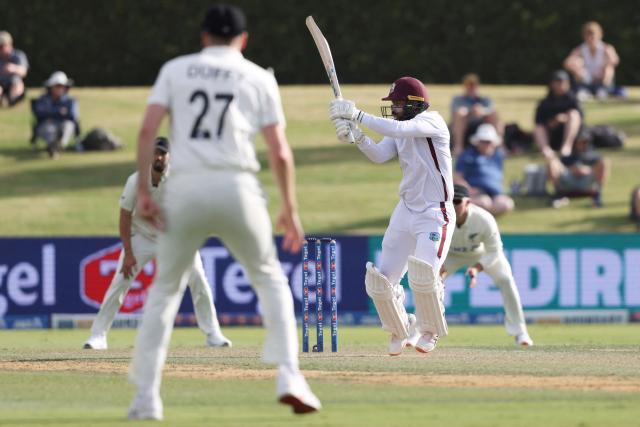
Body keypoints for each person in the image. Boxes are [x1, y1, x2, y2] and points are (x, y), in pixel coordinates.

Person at [127, 4, 320, 420]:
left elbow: (147, 131)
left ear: (202, 38)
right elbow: (280, 152)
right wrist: (290, 207)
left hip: (186, 186)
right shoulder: (257, 76)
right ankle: (290, 375)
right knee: (270, 279)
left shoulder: (176, 69)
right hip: (238, 186)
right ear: (243, 40)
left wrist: (144, 190)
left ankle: (147, 397)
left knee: (164, 291)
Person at [331, 76, 454, 356]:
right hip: (406, 210)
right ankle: (400, 329)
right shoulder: (399, 129)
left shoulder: (432, 122)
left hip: (435, 213)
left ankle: (429, 331)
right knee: (382, 280)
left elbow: (400, 131)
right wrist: (358, 135)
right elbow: (378, 154)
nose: (393, 108)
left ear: (413, 104)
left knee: (424, 277)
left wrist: (357, 114)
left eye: (397, 103)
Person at [83, 136, 231, 351]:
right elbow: (124, 216)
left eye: (163, 153)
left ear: (169, 157)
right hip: (141, 237)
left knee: (199, 279)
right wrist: (129, 252)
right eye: (155, 153)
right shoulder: (136, 181)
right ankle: (98, 336)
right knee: (119, 282)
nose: (158, 157)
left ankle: (213, 334)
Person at [440, 184, 533, 347]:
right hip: (451, 255)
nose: (453, 206)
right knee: (430, 282)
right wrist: (438, 263)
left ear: (468, 202)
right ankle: (422, 331)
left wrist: (476, 268)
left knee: (506, 280)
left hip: (481, 254)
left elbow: (495, 251)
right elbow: (431, 243)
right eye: (450, 202)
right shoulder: (439, 218)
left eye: (457, 201)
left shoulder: (484, 219)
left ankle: (520, 332)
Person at [455, 123, 514, 216]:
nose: (486, 144)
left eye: (489, 141)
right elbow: (458, 178)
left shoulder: (498, 155)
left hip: (495, 193)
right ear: (477, 141)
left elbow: (498, 176)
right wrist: (468, 190)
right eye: (483, 141)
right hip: (476, 194)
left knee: (507, 204)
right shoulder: (467, 155)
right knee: (484, 202)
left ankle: (483, 216)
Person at [544, 129, 609, 208]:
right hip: (568, 180)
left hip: (587, 182)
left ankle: (597, 195)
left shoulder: (593, 155)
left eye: (585, 142)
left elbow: (598, 167)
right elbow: (560, 167)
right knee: (552, 162)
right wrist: (572, 170)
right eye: (580, 142)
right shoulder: (568, 154)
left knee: (605, 162)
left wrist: (587, 170)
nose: (582, 144)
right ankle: (559, 193)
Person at [564, 21, 621, 101]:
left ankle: (603, 90)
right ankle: (583, 91)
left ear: (599, 35)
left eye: (593, 34)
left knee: (609, 69)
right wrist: (576, 66)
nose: (591, 37)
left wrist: (607, 63)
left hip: (601, 79)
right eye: (588, 34)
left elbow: (615, 61)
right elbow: (567, 63)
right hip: (586, 79)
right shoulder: (580, 49)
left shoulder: (606, 48)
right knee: (576, 67)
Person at [533, 70, 583, 158]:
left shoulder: (573, 100)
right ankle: (545, 150)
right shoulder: (545, 103)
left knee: (573, 114)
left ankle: (566, 147)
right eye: (558, 83)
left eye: (563, 83)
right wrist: (553, 122)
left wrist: (565, 119)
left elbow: (581, 121)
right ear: (552, 84)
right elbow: (539, 123)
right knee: (538, 128)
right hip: (551, 136)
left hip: (571, 136)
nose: (561, 86)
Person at [450, 73, 501, 157]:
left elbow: (491, 110)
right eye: (468, 85)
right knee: (460, 114)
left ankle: (498, 145)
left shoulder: (485, 100)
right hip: (464, 127)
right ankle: (458, 147)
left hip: (482, 126)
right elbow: (455, 112)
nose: (471, 87)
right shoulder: (457, 99)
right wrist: (471, 111)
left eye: (473, 85)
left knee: (494, 113)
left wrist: (482, 111)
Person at [31, 71, 80, 158]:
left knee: (67, 125)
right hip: (47, 125)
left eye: (62, 86)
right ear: (51, 87)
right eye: (57, 86)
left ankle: (59, 146)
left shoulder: (70, 101)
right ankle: (52, 146)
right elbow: (39, 114)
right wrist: (58, 112)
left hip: (64, 125)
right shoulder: (43, 99)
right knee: (49, 128)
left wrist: (51, 113)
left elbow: (73, 116)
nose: (60, 89)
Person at [0, 31, 28, 107]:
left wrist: (14, 68)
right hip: (2, 85)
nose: (0, 49)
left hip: (14, 85)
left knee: (17, 83)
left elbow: (24, 72)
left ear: (9, 44)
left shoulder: (18, 55)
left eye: (2, 46)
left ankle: (12, 101)